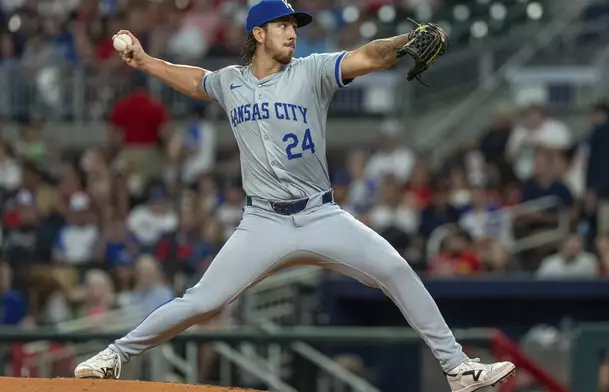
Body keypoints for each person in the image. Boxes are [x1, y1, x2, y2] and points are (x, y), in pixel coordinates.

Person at [74, 1, 515, 391]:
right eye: (283, 24)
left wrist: (405, 41)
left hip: (322, 216)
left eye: (295, 25)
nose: (292, 32)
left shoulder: (313, 70)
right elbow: (195, 81)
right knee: (202, 301)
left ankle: (457, 368)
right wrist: (147, 61)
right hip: (262, 223)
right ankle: (115, 355)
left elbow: (365, 56)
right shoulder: (231, 82)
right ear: (258, 34)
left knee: (396, 269)